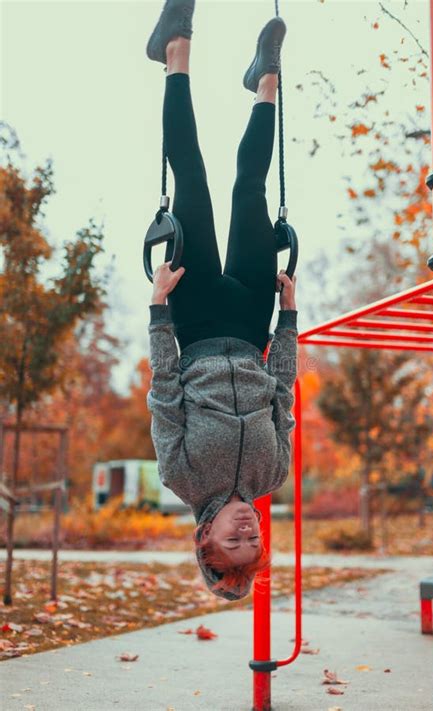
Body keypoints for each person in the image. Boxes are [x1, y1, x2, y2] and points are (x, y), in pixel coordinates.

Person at [146, 0, 298, 600]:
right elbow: (282, 393)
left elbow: (163, 387)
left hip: (199, 315)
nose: (247, 531)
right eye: (253, 543)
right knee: (250, 189)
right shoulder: (274, 473)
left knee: (193, 176)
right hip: (253, 320)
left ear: (203, 537)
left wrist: (159, 308)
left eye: (232, 542)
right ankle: (266, 78)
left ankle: (174, 50)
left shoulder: (180, 476)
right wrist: (288, 319)